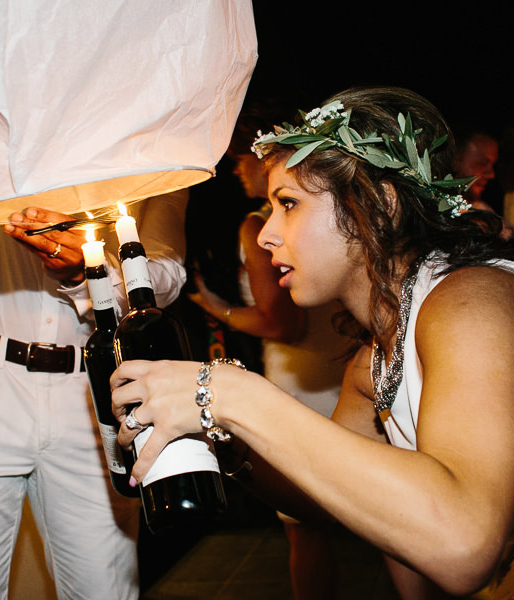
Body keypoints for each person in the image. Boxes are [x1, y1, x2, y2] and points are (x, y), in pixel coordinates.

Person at [109, 87, 514, 599]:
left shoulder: (471, 304)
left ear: (377, 204)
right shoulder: (374, 363)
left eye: (289, 203)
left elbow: (461, 546)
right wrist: (220, 438)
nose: (265, 234)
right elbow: (317, 494)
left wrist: (232, 395)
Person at [0, 190, 187, 600]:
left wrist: (94, 271)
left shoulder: (149, 142)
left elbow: (167, 274)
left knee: (105, 590)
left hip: (90, 388)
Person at [188, 104, 353, 599]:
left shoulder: (256, 228)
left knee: (302, 527)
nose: (236, 170)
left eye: (240, 160)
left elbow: (281, 322)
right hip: (344, 367)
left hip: (300, 382)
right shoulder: (331, 220)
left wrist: (216, 308)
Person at [452, 127, 499, 213]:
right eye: (482, 163)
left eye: (493, 165)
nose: (491, 174)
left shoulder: (485, 215)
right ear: (455, 160)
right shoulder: (429, 212)